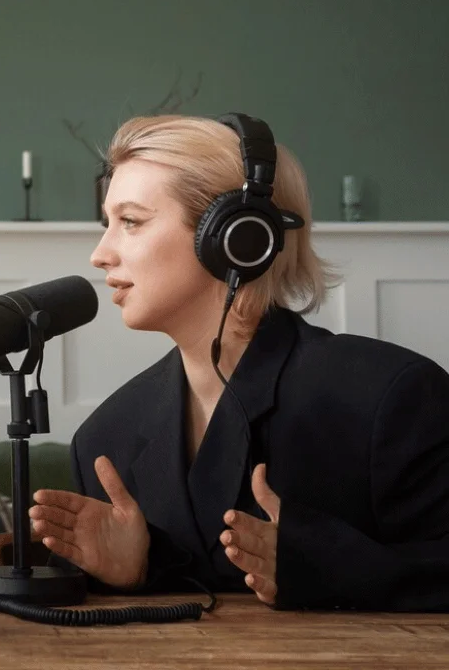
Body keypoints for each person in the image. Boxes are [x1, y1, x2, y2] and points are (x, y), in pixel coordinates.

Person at [29, 113, 449, 611]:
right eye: (107, 224)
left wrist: (330, 568)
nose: (100, 254)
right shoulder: (104, 441)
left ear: (237, 237)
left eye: (131, 222)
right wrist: (140, 570)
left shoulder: (393, 398)